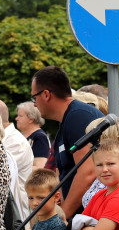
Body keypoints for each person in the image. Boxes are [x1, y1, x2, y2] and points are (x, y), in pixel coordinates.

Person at [31, 67, 103, 217]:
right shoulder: (68, 118)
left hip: (90, 220)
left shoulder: (78, 117)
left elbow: (88, 173)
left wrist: (62, 218)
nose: (34, 104)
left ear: (46, 94)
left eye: (34, 98)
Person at [15, 101, 50, 170]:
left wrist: (14, 169)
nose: (16, 118)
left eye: (20, 116)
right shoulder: (21, 136)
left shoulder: (39, 137)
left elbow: (40, 167)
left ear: (31, 119)